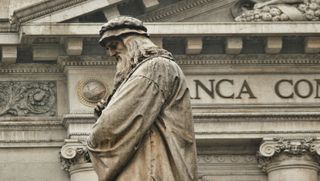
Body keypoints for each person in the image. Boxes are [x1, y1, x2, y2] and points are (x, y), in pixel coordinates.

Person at [87, 16, 198, 181]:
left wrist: (93, 138)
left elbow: (113, 123)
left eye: (113, 45)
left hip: (151, 170)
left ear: (132, 41)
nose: (111, 53)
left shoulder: (154, 67)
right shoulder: (148, 70)